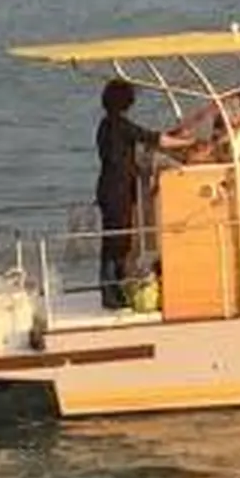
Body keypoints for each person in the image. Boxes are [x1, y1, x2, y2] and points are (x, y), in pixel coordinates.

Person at [94, 80, 187, 308]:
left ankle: (111, 290)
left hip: (108, 187)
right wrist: (189, 141)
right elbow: (155, 138)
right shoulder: (121, 125)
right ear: (125, 101)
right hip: (118, 190)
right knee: (119, 241)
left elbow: (142, 139)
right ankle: (113, 292)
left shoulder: (106, 125)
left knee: (112, 240)